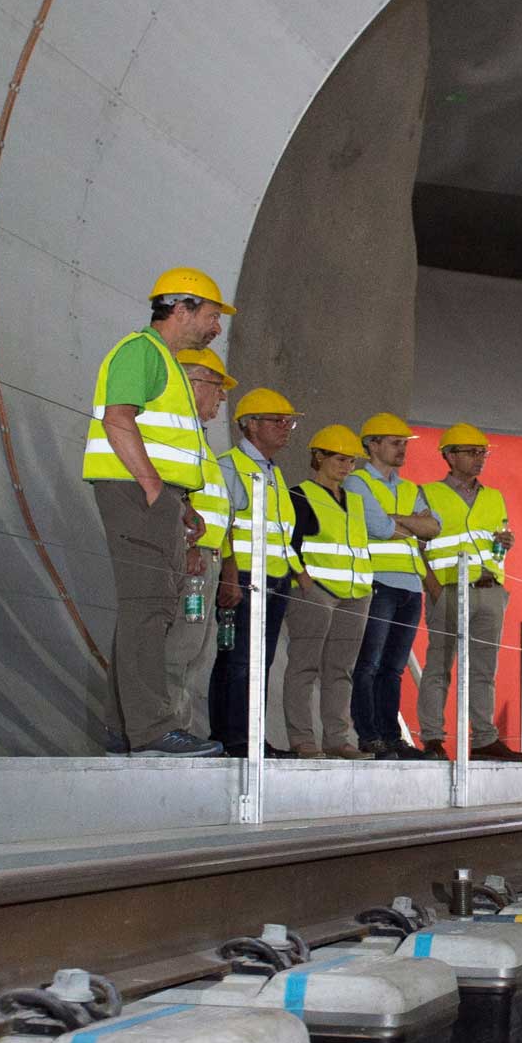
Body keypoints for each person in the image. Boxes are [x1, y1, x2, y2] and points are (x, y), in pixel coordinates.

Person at [82, 267, 230, 757]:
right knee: (147, 612)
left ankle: (125, 728)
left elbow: (163, 442)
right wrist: (151, 487)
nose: (215, 328)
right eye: (211, 316)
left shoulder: (162, 362)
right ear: (180, 308)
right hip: (135, 492)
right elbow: (117, 417)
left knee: (146, 612)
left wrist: (179, 504)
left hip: (156, 498)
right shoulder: (140, 352)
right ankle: (151, 731)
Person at [419, 424, 522, 759]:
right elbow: (416, 544)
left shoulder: (494, 496)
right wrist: (433, 587)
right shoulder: (428, 493)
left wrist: (504, 545)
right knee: (439, 666)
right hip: (449, 589)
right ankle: (433, 739)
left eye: (483, 452)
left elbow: (493, 542)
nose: (480, 458)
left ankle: (484, 739)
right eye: (471, 452)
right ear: (449, 455)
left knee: (484, 669)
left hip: (489, 589)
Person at [210, 386, 300, 756]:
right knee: (238, 661)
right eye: (277, 421)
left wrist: (294, 574)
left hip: (273, 581)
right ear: (250, 425)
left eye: (288, 423)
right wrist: (229, 575)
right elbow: (222, 522)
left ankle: (250, 738)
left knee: (258, 663)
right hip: (245, 579)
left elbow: (280, 531)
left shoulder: (272, 472)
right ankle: (233, 738)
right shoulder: (231, 465)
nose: (285, 428)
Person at [347, 412, 441, 759]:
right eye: (395, 443)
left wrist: (397, 520)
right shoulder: (357, 482)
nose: (402, 449)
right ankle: (369, 736)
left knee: (393, 668)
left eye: (404, 443)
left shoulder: (409, 487)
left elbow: (432, 528)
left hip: (409, 586)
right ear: (373, 444)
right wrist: (410, 524)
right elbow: (377, 527)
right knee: (369, 664)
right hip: (377, 582)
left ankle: (391, 736)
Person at [284, 425, 376, 758]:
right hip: (315, 592)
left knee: (341, 670)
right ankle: (302, 739)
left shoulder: (355, 500)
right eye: (340, 459)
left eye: (351, 461)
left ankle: (337, 739)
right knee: (304, 666)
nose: (347, 467)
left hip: (355, 594)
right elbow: (285, 540)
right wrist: (302, 577)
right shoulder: (299, 494)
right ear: (318, 457)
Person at [163, 348, 237, 746]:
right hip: (191, 559)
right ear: (192, 383)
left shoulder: (200, 441)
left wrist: (224, 565)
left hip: (207, 559)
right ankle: (169, 728)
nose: (222, 398)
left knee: (199, 652)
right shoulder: (178, 434)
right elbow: (172, 497)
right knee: (182, 647)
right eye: (217, 387)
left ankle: (186, 729)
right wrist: (188, 547)